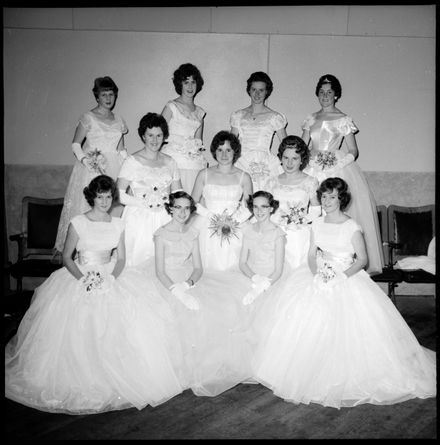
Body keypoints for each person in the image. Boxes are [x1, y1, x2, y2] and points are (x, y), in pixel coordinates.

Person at [5, 175, 184, 415]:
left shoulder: (118, 223)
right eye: (100, 196)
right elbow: (67, 258)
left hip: (111, 274)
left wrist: (111, 278)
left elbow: (120, 259)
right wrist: (84, 280)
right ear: (92, 197)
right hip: (80, 274)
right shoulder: (78, 222)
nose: (104, 201)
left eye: (108, 196)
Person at [252, 178, 436, 409]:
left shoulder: (351, 226)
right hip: (319, 273)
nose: (327, 201)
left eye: (332, 196)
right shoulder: (316, 224)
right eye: (324, 196)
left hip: (346, 276)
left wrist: (340, 277)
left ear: (341, 199)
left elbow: (363, 260)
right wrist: (316, 273)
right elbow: (311, 254)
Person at [150, 191, 252, 396]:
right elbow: (159, 271)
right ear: (170, 208)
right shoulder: (161, 234)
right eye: (177, 207)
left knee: (216, 306)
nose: (182, 212)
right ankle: (179, 367)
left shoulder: (192, 233)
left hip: (187, 278)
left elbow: (198, 268)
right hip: (165, 280)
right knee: (176, 312)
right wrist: (175, 291)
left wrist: (187, 285)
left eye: (187, 208)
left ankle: (207, 364)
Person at [301, 74, 383, 274]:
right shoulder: (311, 118)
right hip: (312, 166)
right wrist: (308, 161)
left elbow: (353, 150)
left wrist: (338, 162)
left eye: (329, 92)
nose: (325, 95)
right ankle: (311, 262)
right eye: (321, 92)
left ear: (336, 95)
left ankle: (337, 262)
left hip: (335, 167)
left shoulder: (343, 119)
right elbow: (303, 146)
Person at [55, 76, 128, 254]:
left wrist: (129, 168)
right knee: (90, 209)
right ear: (97, 97)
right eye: (104, 95)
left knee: (113, 209)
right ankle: (86, 255)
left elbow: (121, 149)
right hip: (92, 169)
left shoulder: (119, 120)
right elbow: (75, 144)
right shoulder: (88, 117)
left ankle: (107, 254)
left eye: (111, 94)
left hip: (114, 168)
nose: (108, 98)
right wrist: (87, 161)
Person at [117, 112, 182, 267]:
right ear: (143, 136)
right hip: (138, 218)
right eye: (150, 135)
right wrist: (145, 203)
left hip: (164, 218)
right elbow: (119, 195)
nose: (154, 140)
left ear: (164, 137)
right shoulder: (132, 161)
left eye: (159, 135)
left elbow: (177, 193)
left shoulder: (170, 162)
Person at [191, 131, 253, 271]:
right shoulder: (204, 174)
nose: (224, 155)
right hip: (207, 225)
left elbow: (249, 207)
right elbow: (193, 202)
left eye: (228, 150)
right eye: (220, 149)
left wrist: (233, 222)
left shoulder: (244, 177)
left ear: (234, 151)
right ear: (214, 151)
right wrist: (210, 216)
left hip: (235, 225)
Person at [265, 135, 321, 269]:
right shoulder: (271, 182)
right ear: (280, 158)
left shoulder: (310, 182)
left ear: (302, 160)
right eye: (286, 158)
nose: (289, 163)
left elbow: (316, 210)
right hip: (275, 232)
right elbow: (266, 208)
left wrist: (301, 220)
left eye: (295, 158)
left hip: (299, 233)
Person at [230, 71, 287, 191]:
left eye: (261, 90)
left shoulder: (274, 117)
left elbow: (286, 145)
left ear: (267, 92)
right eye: (254, 89)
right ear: (249, 90)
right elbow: (230, 144)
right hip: (241, 163)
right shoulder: (239, 115)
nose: (257, 94)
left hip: (264, 166)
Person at [161, 63, 207, 194]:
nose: (190, 86)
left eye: (193, 82)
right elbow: (157, 134)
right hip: (173, 159)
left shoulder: (200, 113)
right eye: (186, 82)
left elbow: (198, 141)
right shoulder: (171, 107)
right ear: (179, 84)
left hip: (192, 162)